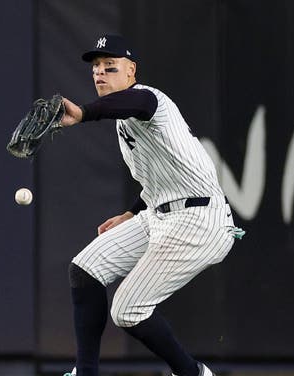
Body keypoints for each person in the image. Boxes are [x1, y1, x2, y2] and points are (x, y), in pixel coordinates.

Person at [59, 35, 244, 376]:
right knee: (85, 269)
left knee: (127, 310)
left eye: (110, 67)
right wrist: (130, 213)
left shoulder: (149, 99)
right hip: (160, 214)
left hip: (200, 221)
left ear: (131, 71)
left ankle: (192, 373)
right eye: (96, 68)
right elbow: (160, 176)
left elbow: (137, 103)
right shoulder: (123, 117)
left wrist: (83, 113)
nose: (100, 74)